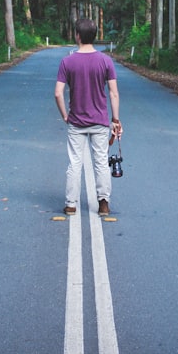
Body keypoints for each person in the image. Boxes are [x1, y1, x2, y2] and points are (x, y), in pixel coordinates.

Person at [54, 18, 122, 216]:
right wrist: (115, 121)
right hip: (100, 121)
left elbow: (58, 93)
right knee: (101, 161)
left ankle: (71, 204)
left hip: (76, 121)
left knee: (75, 163)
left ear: (77, 36)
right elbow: (113, 93)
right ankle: (103, 204)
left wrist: (65, 116)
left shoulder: (67, 62)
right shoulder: (106, 61)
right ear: (94, 36)